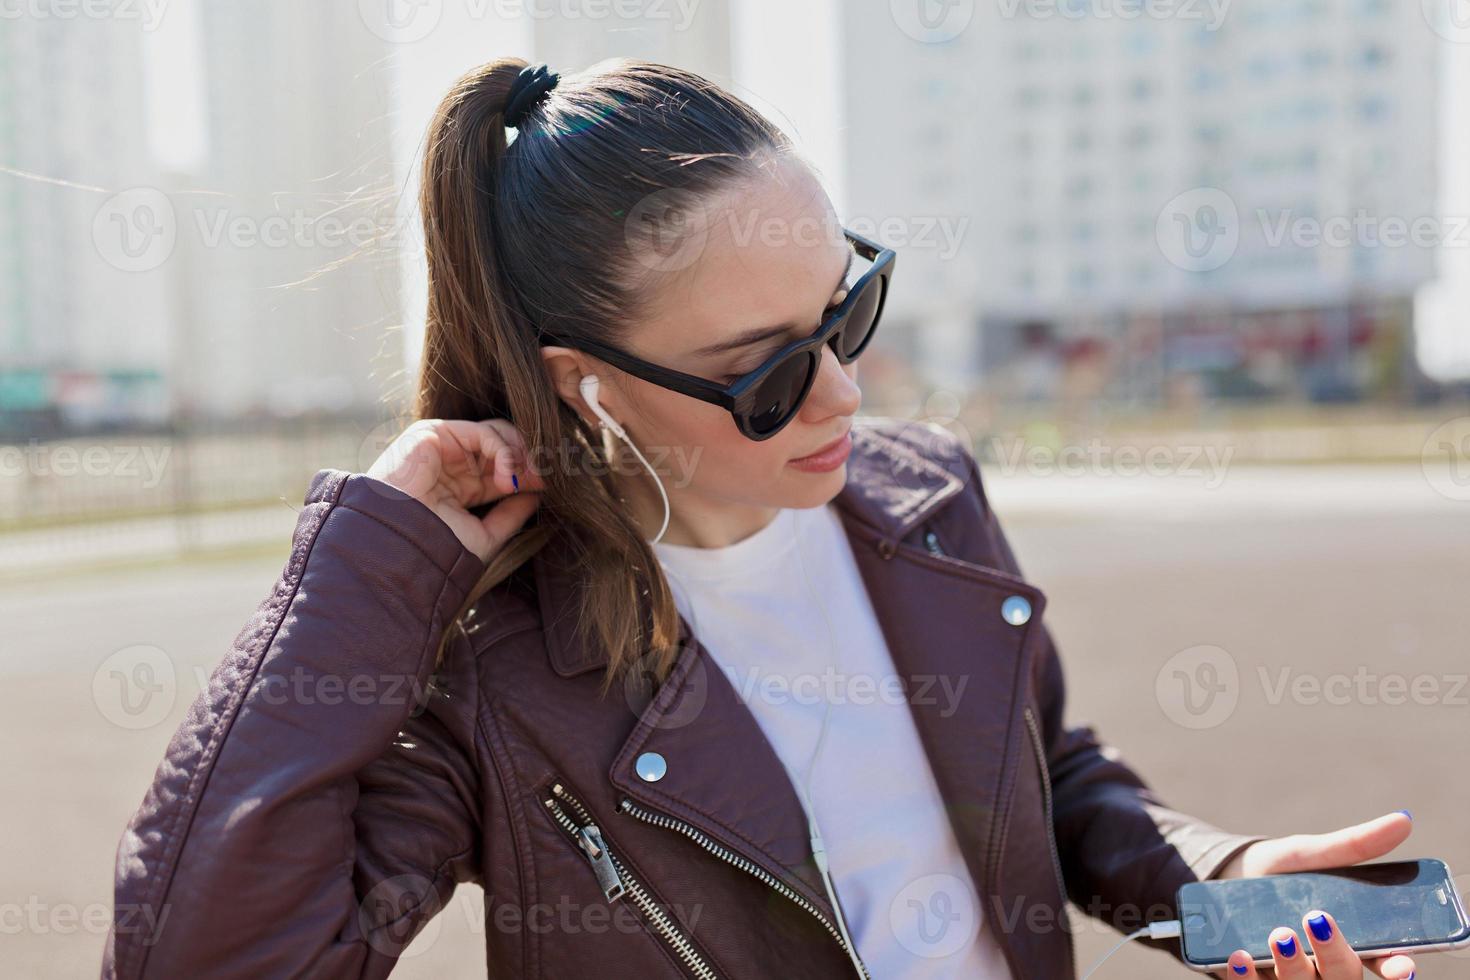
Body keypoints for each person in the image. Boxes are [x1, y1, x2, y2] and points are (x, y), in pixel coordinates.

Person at [102, 58, 1419, 979]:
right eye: (766, 369)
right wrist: (363, 573)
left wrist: (1222, 882)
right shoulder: (493, 664)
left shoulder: (926, 496)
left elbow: (1047, 778)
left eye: (845, 310)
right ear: (585, 382)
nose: (843, 392)